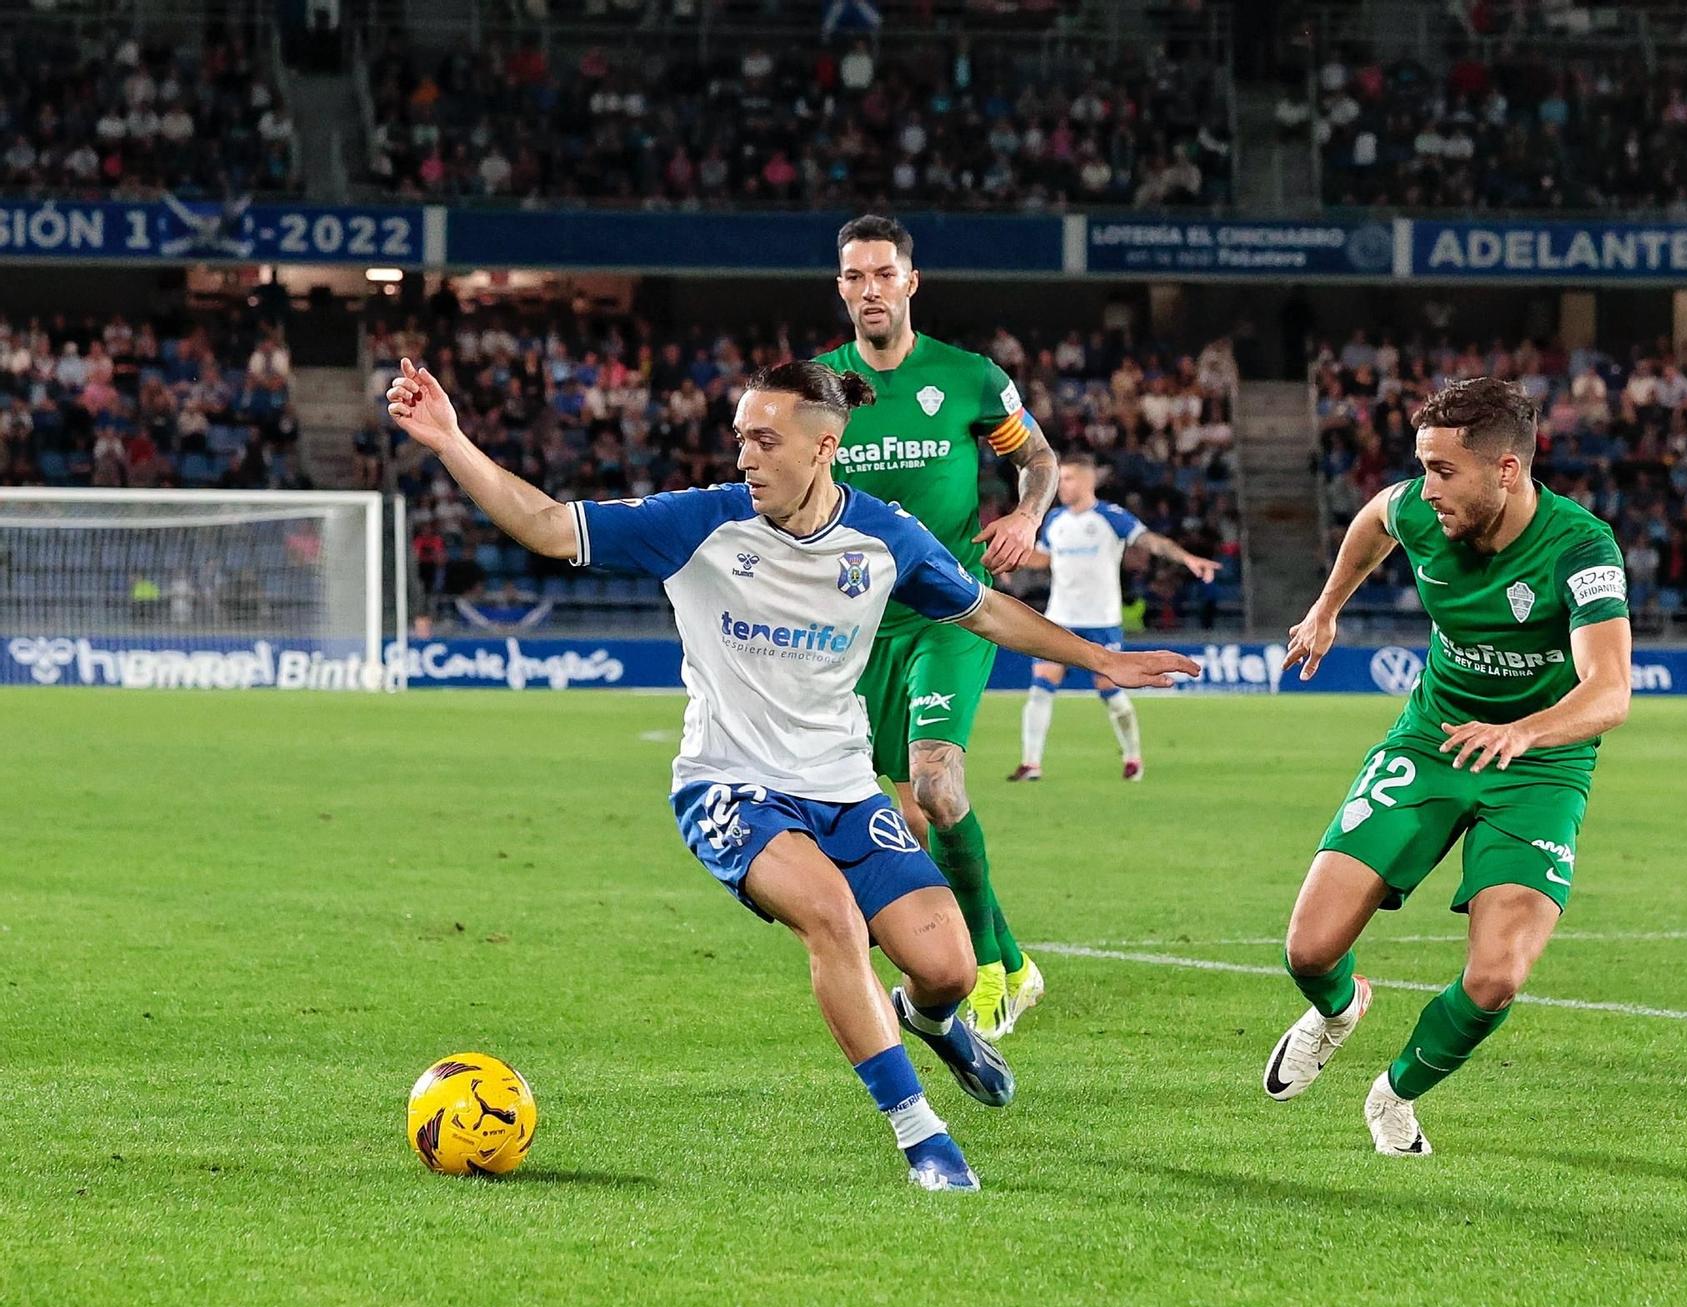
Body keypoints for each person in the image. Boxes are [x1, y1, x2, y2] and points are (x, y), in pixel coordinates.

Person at [386, 356, 1193, 1192]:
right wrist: (450, 440)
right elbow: (551, 527)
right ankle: (922, 1134)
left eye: (765, 440)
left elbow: (983, 608)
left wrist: (1103, 657)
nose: (745, 458)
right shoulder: (698, 521)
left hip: (841, 787)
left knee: (948, 967)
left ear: (824, 447)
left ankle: (930, 1018)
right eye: (740, 439)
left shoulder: (884, 538)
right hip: (728, 785)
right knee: (834, 917)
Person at [1263, 377, 1632, 1156]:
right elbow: (1372, 521)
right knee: (1309, 949)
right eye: (1421, 466)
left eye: (1442, 471)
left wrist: (1525, 733)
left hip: (1538, 767)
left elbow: (1609, 690)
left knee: (1496, 975)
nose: (1424, 490)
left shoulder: (1582, 546)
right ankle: (1339, 1009)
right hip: (1430, 741)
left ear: (1506, 470)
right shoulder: (1418, 511)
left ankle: (1395, 1092)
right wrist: (1328, 606)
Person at [816, 213, 1060, 1040]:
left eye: (884, 273)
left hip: (951, 607)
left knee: (936, 782)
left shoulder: (967, 380)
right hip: (860, 625)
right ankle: (1017, 961)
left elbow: (1038, 457)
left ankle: (986, 974)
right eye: (855, 276)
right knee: (916, 816)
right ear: (841, 287)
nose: (871, 289)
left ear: (911, 282)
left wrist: (1027, 515)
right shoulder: (820, 387)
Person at [1010, 455, 1220, 783]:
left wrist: (1186, 558)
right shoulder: (1053, 520)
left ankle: (1133, 756)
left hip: (1100, 619)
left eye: (1068, 479)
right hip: (1059, 617)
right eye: (1060, 479)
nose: (1062, 485)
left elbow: (1151, 541)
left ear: (1088, 481)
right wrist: (1013, 558)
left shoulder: (1111, 517)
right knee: (1041, 685)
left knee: (1108, 687)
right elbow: (1045, 558)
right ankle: (1031, 763)